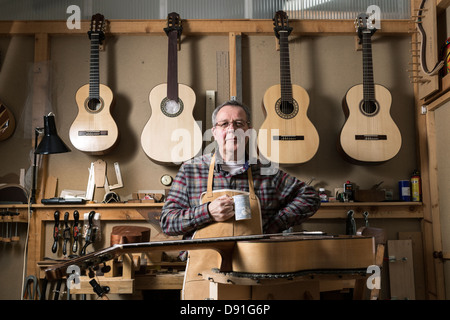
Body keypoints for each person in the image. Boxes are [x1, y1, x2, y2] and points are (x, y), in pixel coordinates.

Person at [160, 99, 320, 239]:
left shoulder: (266, 171)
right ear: (214, 133)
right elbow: (167, 222)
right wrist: (207, 212)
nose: (232, 129)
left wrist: (272, 226)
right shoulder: (191, 170)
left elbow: (310, 196)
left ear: (248, 131)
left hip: (255, 263)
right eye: (224, 124)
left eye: (238, 123)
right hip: (203, 264)